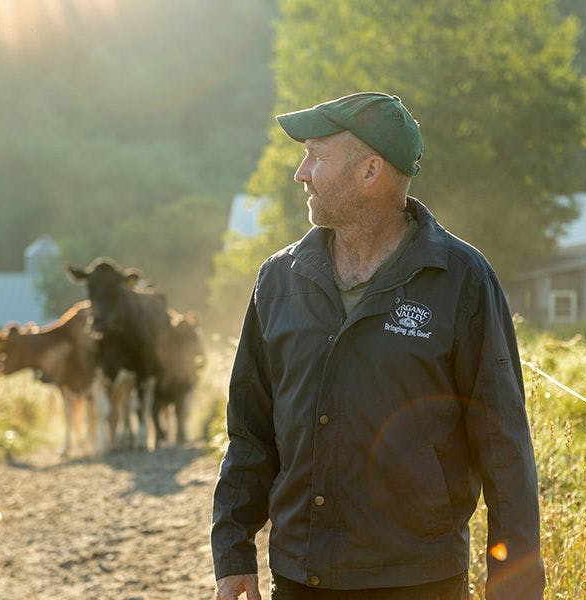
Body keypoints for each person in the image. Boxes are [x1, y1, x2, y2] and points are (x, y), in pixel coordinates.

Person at [211, 92, 545, 599]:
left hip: (418, 580)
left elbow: (503, 443)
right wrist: (234, 554)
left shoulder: (461, 280)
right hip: (301, 577)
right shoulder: (279, 280)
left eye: (317, 157)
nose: (301, 173)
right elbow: (251, 431)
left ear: (370, 171)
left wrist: (514, 582)